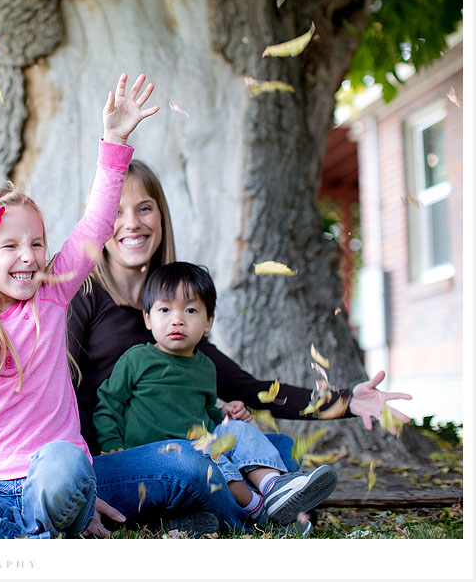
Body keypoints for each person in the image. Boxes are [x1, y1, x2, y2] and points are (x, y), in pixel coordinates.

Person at [70, 159, 413, 536]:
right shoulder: (81, 295)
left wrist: (349, 401)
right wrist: (77, 486)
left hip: (175, 455)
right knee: (188, 459)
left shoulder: (180, 318)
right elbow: (54, 389)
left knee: (276, 446)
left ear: (161, 217)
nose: (132, 222)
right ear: (99, 219)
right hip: (105, 461)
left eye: (144, 208)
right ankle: (247, 517)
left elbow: (253, 389)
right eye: (116, 212)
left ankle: (208, 517)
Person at [0, 73, 163, 538]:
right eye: (11, 246)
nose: (30, 256)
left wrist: (115, 142)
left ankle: (17, 539)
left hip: (49, 478)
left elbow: (96, 227)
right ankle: (32, 541)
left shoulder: (52, 293)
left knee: (65, 460)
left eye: (37, 243)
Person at [95, 262, 337, 534]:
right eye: (165, 309)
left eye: (190, 310)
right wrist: (112, 442)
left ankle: (273, 487)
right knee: (209, 453)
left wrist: (225, 415)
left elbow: (204, 412)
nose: (178, 319)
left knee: (262, 437)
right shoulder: (137, 358)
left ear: (208, 321)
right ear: (148, 318)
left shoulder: (205, 367)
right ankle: (259, 511)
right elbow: (108, 404)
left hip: (199, 444)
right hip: (157, 457)